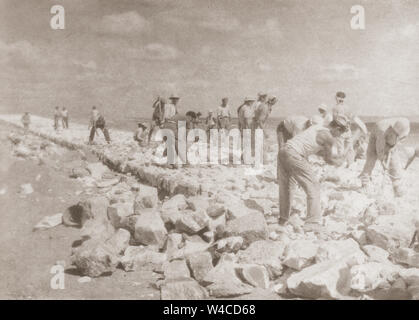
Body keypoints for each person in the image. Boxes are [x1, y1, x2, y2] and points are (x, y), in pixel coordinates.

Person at [277, 115, 350, 230]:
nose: (339, 136)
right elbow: (329, 159)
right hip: (294, 154)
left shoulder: (318, 127)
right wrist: (340, 160)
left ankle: (283, 219)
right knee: (314, 186)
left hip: (284, 150)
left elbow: (312, 147)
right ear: (337, 129)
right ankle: (312, 222)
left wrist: (335, 157)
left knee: (287, 187)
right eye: (340, 133)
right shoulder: (328, 137)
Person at [359, 118, 410, 197]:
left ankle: (396, 187)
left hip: (388, 134)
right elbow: (380, 151)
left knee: (394, 159)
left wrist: (392, 146)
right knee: (371, 158)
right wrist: (383, 163)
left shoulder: (402, 127)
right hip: (376, 132)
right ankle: (364, 184)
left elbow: (400, 140)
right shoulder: (382, 132)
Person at [332, 91, 367, 166]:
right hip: (347, 130)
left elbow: (335, 119)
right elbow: (352, 117)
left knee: (341, 148)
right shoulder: (346, 107)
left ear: (336, 98)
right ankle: (349, 163)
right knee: (349, 147)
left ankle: (341, 163)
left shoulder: (335, 108)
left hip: (340, 130)